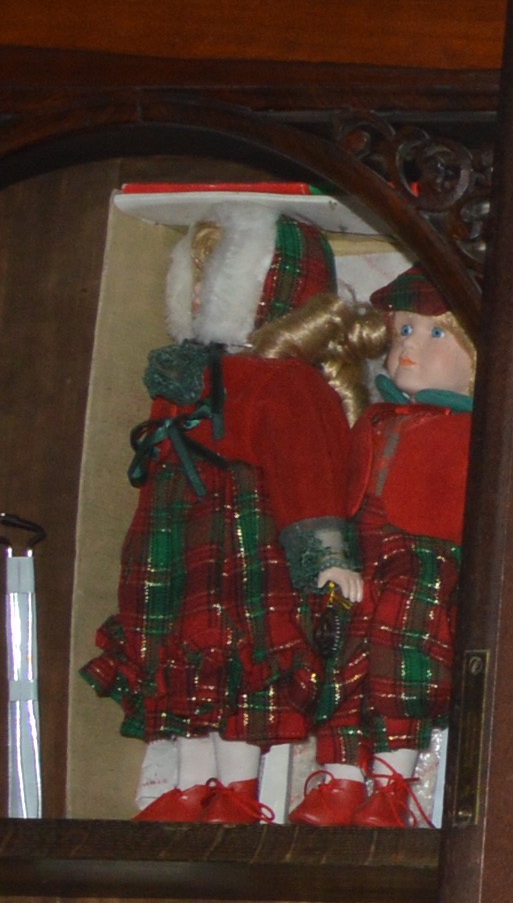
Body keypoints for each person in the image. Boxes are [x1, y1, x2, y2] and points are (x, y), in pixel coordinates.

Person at [81, 213, 362, 822]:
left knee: (238, 660)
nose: (201, 293)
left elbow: (308, 472)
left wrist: (326, 555)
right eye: (197, 279)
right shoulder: (179, 377)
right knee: (176, 657)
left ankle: (236, 789)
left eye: (219, 279)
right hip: (174, 535)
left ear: (268, 290)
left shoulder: (285, 382)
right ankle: (190, 784)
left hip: (242, 537)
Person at [298, 271, 474, 830]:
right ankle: (341, 781)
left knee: (402, 666)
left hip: (427, 560)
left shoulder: (476, 431)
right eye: (403, 331)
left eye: (435, 334)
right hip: (362, 554)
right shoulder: (373, 420)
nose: (409, 346)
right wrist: (332, 554)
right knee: (341, 660)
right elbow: (339, 488)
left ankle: (392, 787)